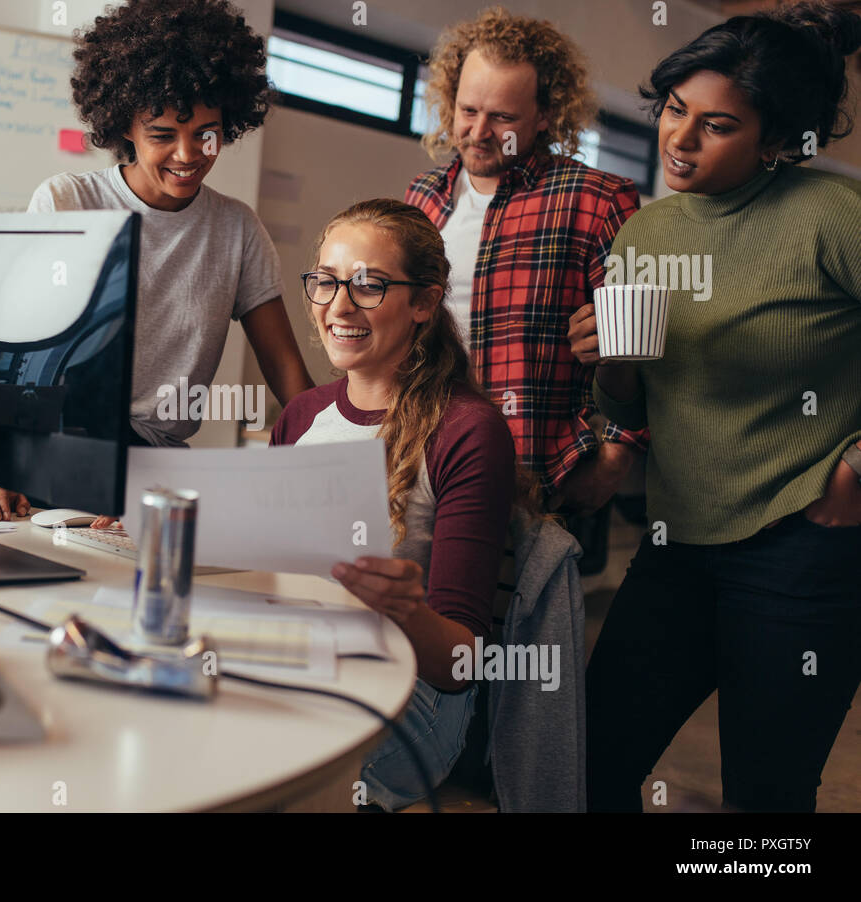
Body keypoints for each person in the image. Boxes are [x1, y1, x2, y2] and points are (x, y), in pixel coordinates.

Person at [570, 0, 861, 812]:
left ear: (776, 141)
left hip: (803, 551)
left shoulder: (831, 218)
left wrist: (855, 470)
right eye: (674, 110)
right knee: (586, 766)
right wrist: (613, 363)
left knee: (765, 800)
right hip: (677, 542)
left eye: (717, 125)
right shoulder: (645, 234)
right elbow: (628, 400)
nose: (680, 139)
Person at [0, 0, 312, 522]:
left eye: (206, 133)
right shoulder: (68, 202)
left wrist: (334, 457)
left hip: (157, 472)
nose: (187, 154)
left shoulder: (238, 229)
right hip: (57, 454)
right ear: (124, 124)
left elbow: (285, 370)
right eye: (162, 135)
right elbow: (15, 352)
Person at [271, 198, 520, 810]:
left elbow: (459, 665)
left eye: (369, 286)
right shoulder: (302, 414)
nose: (338, 307)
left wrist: (405, 608)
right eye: (326, 283)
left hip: (412, 694)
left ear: (425, 303)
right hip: (303, 659)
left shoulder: (467, 429)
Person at [405, 7, 647, 516]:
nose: (479, 131)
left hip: (539, 470)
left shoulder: (598, 200)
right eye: (468, 111)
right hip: (426, 458)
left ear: (545, 117)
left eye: (503, 118)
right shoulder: (422, 198)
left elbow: (641, 342)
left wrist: (617, 455)